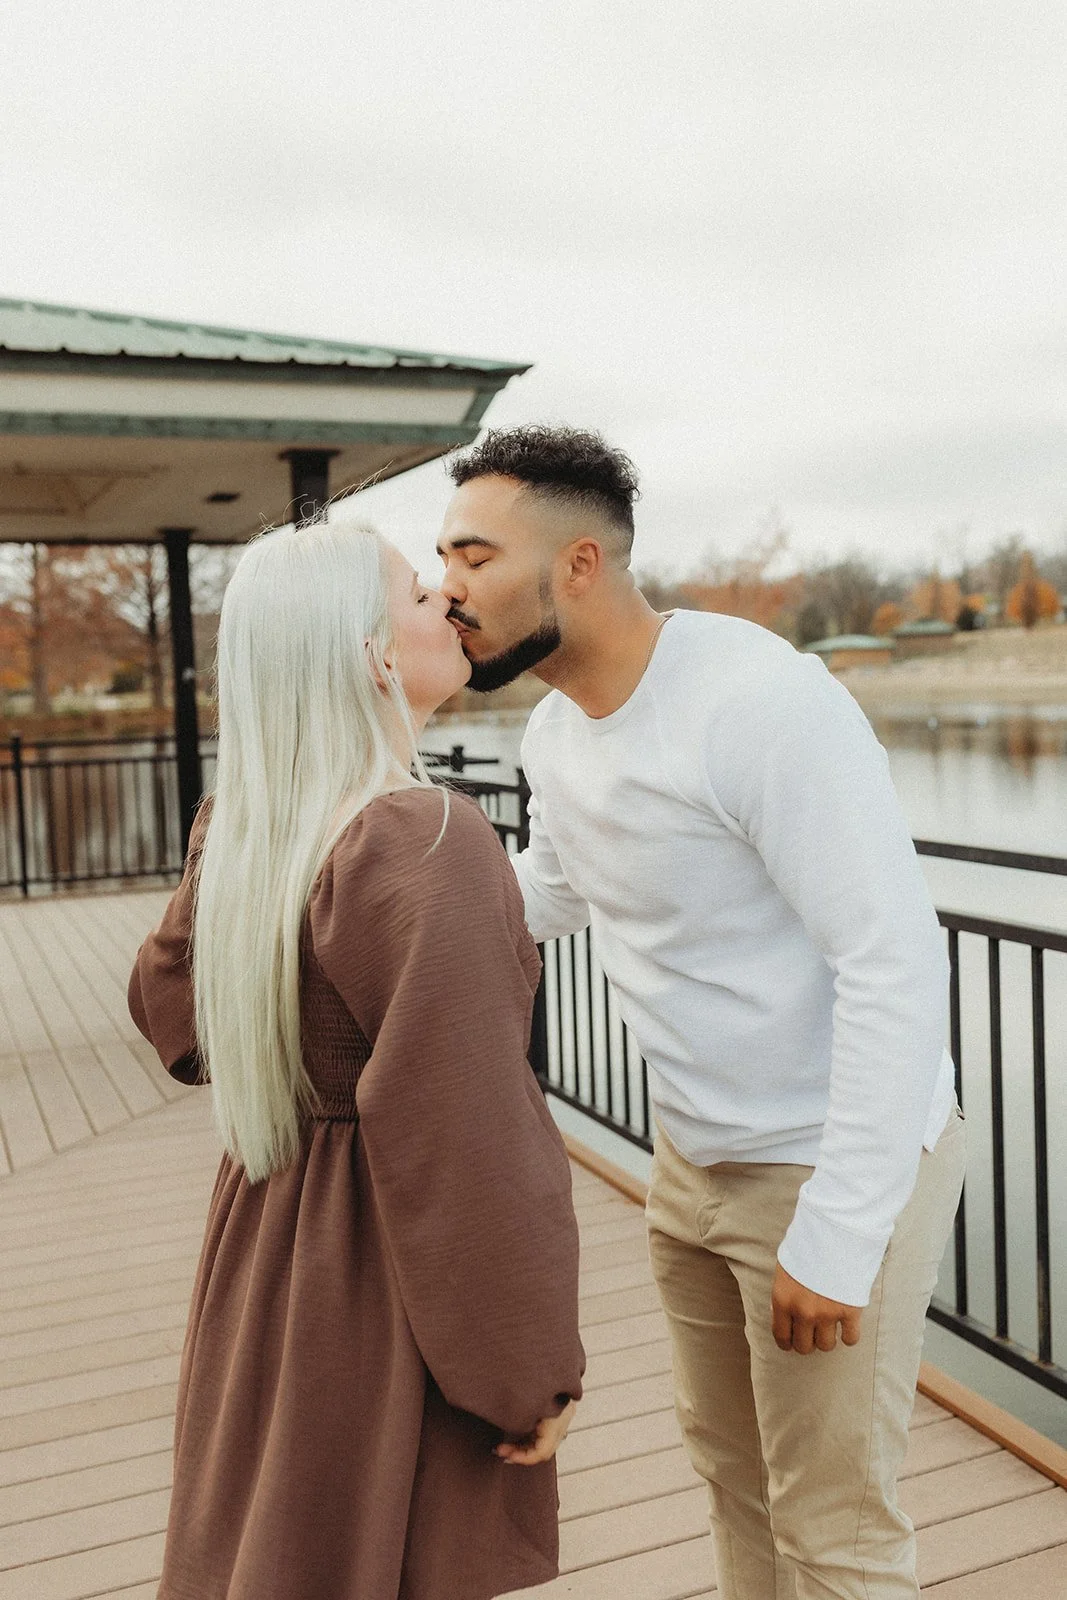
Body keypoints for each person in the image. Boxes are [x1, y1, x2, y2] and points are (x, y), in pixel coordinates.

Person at [436, 426, 967, 1600]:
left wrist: (837, 1231)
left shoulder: (755, 701)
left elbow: (889, 957)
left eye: (473, 556)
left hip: (823, 1162)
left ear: (578, 564)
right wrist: (384, 897)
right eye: (441, 560)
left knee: (833, 1526)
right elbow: (549, 891)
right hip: (690, 1163)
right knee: (732, 1480)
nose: (447, 587)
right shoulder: (555, 732)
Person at [127, 515, 584, 1600]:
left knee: (277, 1544)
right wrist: (526, 1371)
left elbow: (169, 1016)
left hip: (265, 1253)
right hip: (379, 1280)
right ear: (372, 654)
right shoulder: (424, 838)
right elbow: (467, 1140)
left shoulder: (253, 827)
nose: (448, 600)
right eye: (419, 595)